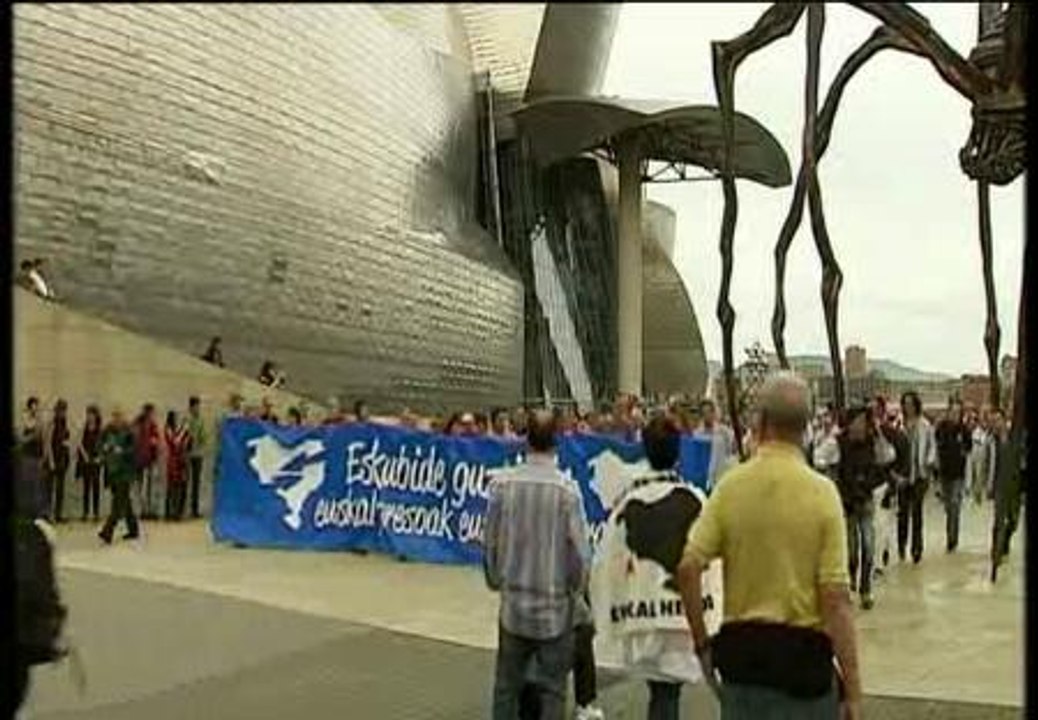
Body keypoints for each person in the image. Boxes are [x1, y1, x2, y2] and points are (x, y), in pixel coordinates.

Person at [678, 371, 861, 720]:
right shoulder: (823, 495)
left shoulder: (731, 487)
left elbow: (688, 568)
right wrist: (852, 689)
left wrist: (703, 645)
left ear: (760, 422)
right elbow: (835, 599)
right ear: (806, 426)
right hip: (803, 668)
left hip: (744, 665)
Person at [593, 414, 715, 720]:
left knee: (662, 693)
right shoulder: (696, 499)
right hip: (679, 617)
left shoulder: (627, 502)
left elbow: (605, 561)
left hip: (645, 616)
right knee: (666, 694)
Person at [483, 410, 591, 720]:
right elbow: (580, 555)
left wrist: (496, 579)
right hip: (554, 609)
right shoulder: (567, 491)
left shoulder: (503, 486)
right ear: (556, 441)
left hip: (514, 607)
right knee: (553, 691)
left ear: (525, 439)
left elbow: (490, 541)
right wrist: (574, 590)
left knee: (506, 687)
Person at [835, 405, 888, 610]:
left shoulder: (873, 442)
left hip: (866, 500)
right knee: (851, 550)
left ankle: (866, 590)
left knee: (868, 546)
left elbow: (888, 456)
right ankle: (851, 583)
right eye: (856, 421)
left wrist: (879, 434)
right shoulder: (839, 443)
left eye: (863, 421)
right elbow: (820, 457)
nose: (859, 425)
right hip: (847, 502)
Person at [897, 391, 935, 564]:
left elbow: (931, 447)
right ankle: (901, 544)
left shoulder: (925, 425)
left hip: (920, 474)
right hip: (903, 475)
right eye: (905, 404)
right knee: (903, 512)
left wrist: (928, 462)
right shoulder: (899, 424)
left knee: (917, 513)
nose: (908, 407)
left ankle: (917, 548)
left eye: (911, 403)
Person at [934, 398, 973, 552]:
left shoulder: (964, 430)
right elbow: (936, 446)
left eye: (958, 412)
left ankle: (952, 540)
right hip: (944, 473)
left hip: (958, 474)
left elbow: (969, 449)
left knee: (955, 505)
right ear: (948, 412)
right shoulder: (941, 428)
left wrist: (962, 452)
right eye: (952, 412)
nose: (955, 415)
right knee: (948, 507)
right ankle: (950, 533)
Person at [99, 408, 140, 543]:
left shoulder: (129, 432)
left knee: (117, 503)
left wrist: (122, 451)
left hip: (125, 473)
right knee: (125, 501)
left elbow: (134, 449)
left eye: (119, 416)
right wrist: (104, 450)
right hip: (112, 471)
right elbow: (99, 445)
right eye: (114, 416)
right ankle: (133, 529)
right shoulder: (107, 430)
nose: (116, 419)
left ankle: (107, 531)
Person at [694, 399, 737, 492]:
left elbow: (732, 452)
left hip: (721, 477)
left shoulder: (724, 432)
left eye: (709, 412)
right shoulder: (696, 434)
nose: (707, 416)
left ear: (714, 413)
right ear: (701, 415)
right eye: (704, 413)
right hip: (704, 479)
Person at [42, 398, 71, 523]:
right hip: (53, 459)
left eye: (64, 410)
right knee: (49, 489)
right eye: (61, 410)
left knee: (60, 489)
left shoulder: (64, 423)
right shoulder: (52, 423)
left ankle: (58, 514)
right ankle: (48, 514)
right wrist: (51, 460)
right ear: (57, 410)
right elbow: (47, 442)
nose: (63, 413)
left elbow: (66, 439)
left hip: (62, 458)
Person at [76, 405, 104, 522]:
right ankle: (85, 512)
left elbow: (103, 445)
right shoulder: (84, 428)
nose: (89, 417)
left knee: (96, 486)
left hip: (96, 460)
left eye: (91, 414)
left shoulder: (99, 429)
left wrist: (100, 457)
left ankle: (96, 512)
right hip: (86, 459)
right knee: (86, 487)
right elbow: (80, 443)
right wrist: (84, 455)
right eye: (88, 414)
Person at [133, 404, 162, 520]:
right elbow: (134, 441)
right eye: (152, 413)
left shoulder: (152, 426)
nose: (153, 416)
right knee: (142, 486)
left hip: (150, 459)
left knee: (150, 486)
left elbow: (156, 440)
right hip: (141, 460)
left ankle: (149, 509)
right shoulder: (138, 425)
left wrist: (155, 444)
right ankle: (143, 509)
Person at [184, 396, 208, 519]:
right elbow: (185, 435)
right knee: (187, 482)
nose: (198, 408)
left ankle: (195, 509)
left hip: (198, 454)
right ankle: (186, 508)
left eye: (199, 406)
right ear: (191, 407)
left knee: (196, 483)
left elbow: (204, 436)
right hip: (188, 455)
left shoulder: (200, 420)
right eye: (196, 406)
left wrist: (200, 440)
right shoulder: (187, 419)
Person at [164, 410, 190, 520]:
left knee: (182, 485)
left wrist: (184, 433)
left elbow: (184, 442)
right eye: (176, 418)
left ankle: (178, 511)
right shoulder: (168, 429)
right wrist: (183, 431)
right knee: (173, 487)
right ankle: (170, 512)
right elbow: (175, 442)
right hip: (174, 461)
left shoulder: (177, 430)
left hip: (181, 459)